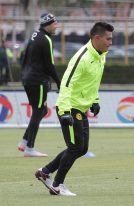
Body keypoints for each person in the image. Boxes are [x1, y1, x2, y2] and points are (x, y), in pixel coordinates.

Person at [35, 22, 114, 196]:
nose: (110, 42)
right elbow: (66, 84)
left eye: (111, 38)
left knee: (82, 148)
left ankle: (45, 171)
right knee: (75, 147)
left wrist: (95, 100)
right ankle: (57, 185)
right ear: (97, 38)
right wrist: (64, 112)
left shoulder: (102, 55)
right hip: (70, 108)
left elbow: (92, 82)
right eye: (108, 39)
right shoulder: (83, 57)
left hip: (81, 107)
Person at [17, 12, 60, 157]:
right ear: (47, 25)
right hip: (38, 80)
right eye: (54, 23)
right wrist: (59, 83)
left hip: (28, 79)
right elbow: (50, 65)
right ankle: (30, 148)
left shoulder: (35, 35)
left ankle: (24, 141)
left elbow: (23, 57)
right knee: (39, 110)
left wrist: (23, 74)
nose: (56, 26)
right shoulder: (46, 39)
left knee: (41, 111)